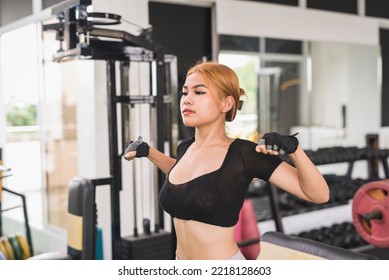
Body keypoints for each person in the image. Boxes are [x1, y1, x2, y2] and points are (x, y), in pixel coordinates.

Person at [123, 61, 330, 260]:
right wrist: (148, 151)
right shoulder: (186, 147)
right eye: (185, 92)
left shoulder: (244, 154)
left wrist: (294, 150)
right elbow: (183, 177)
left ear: (226, 103)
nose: (186, 99)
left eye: (199, 92)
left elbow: (319, 195)